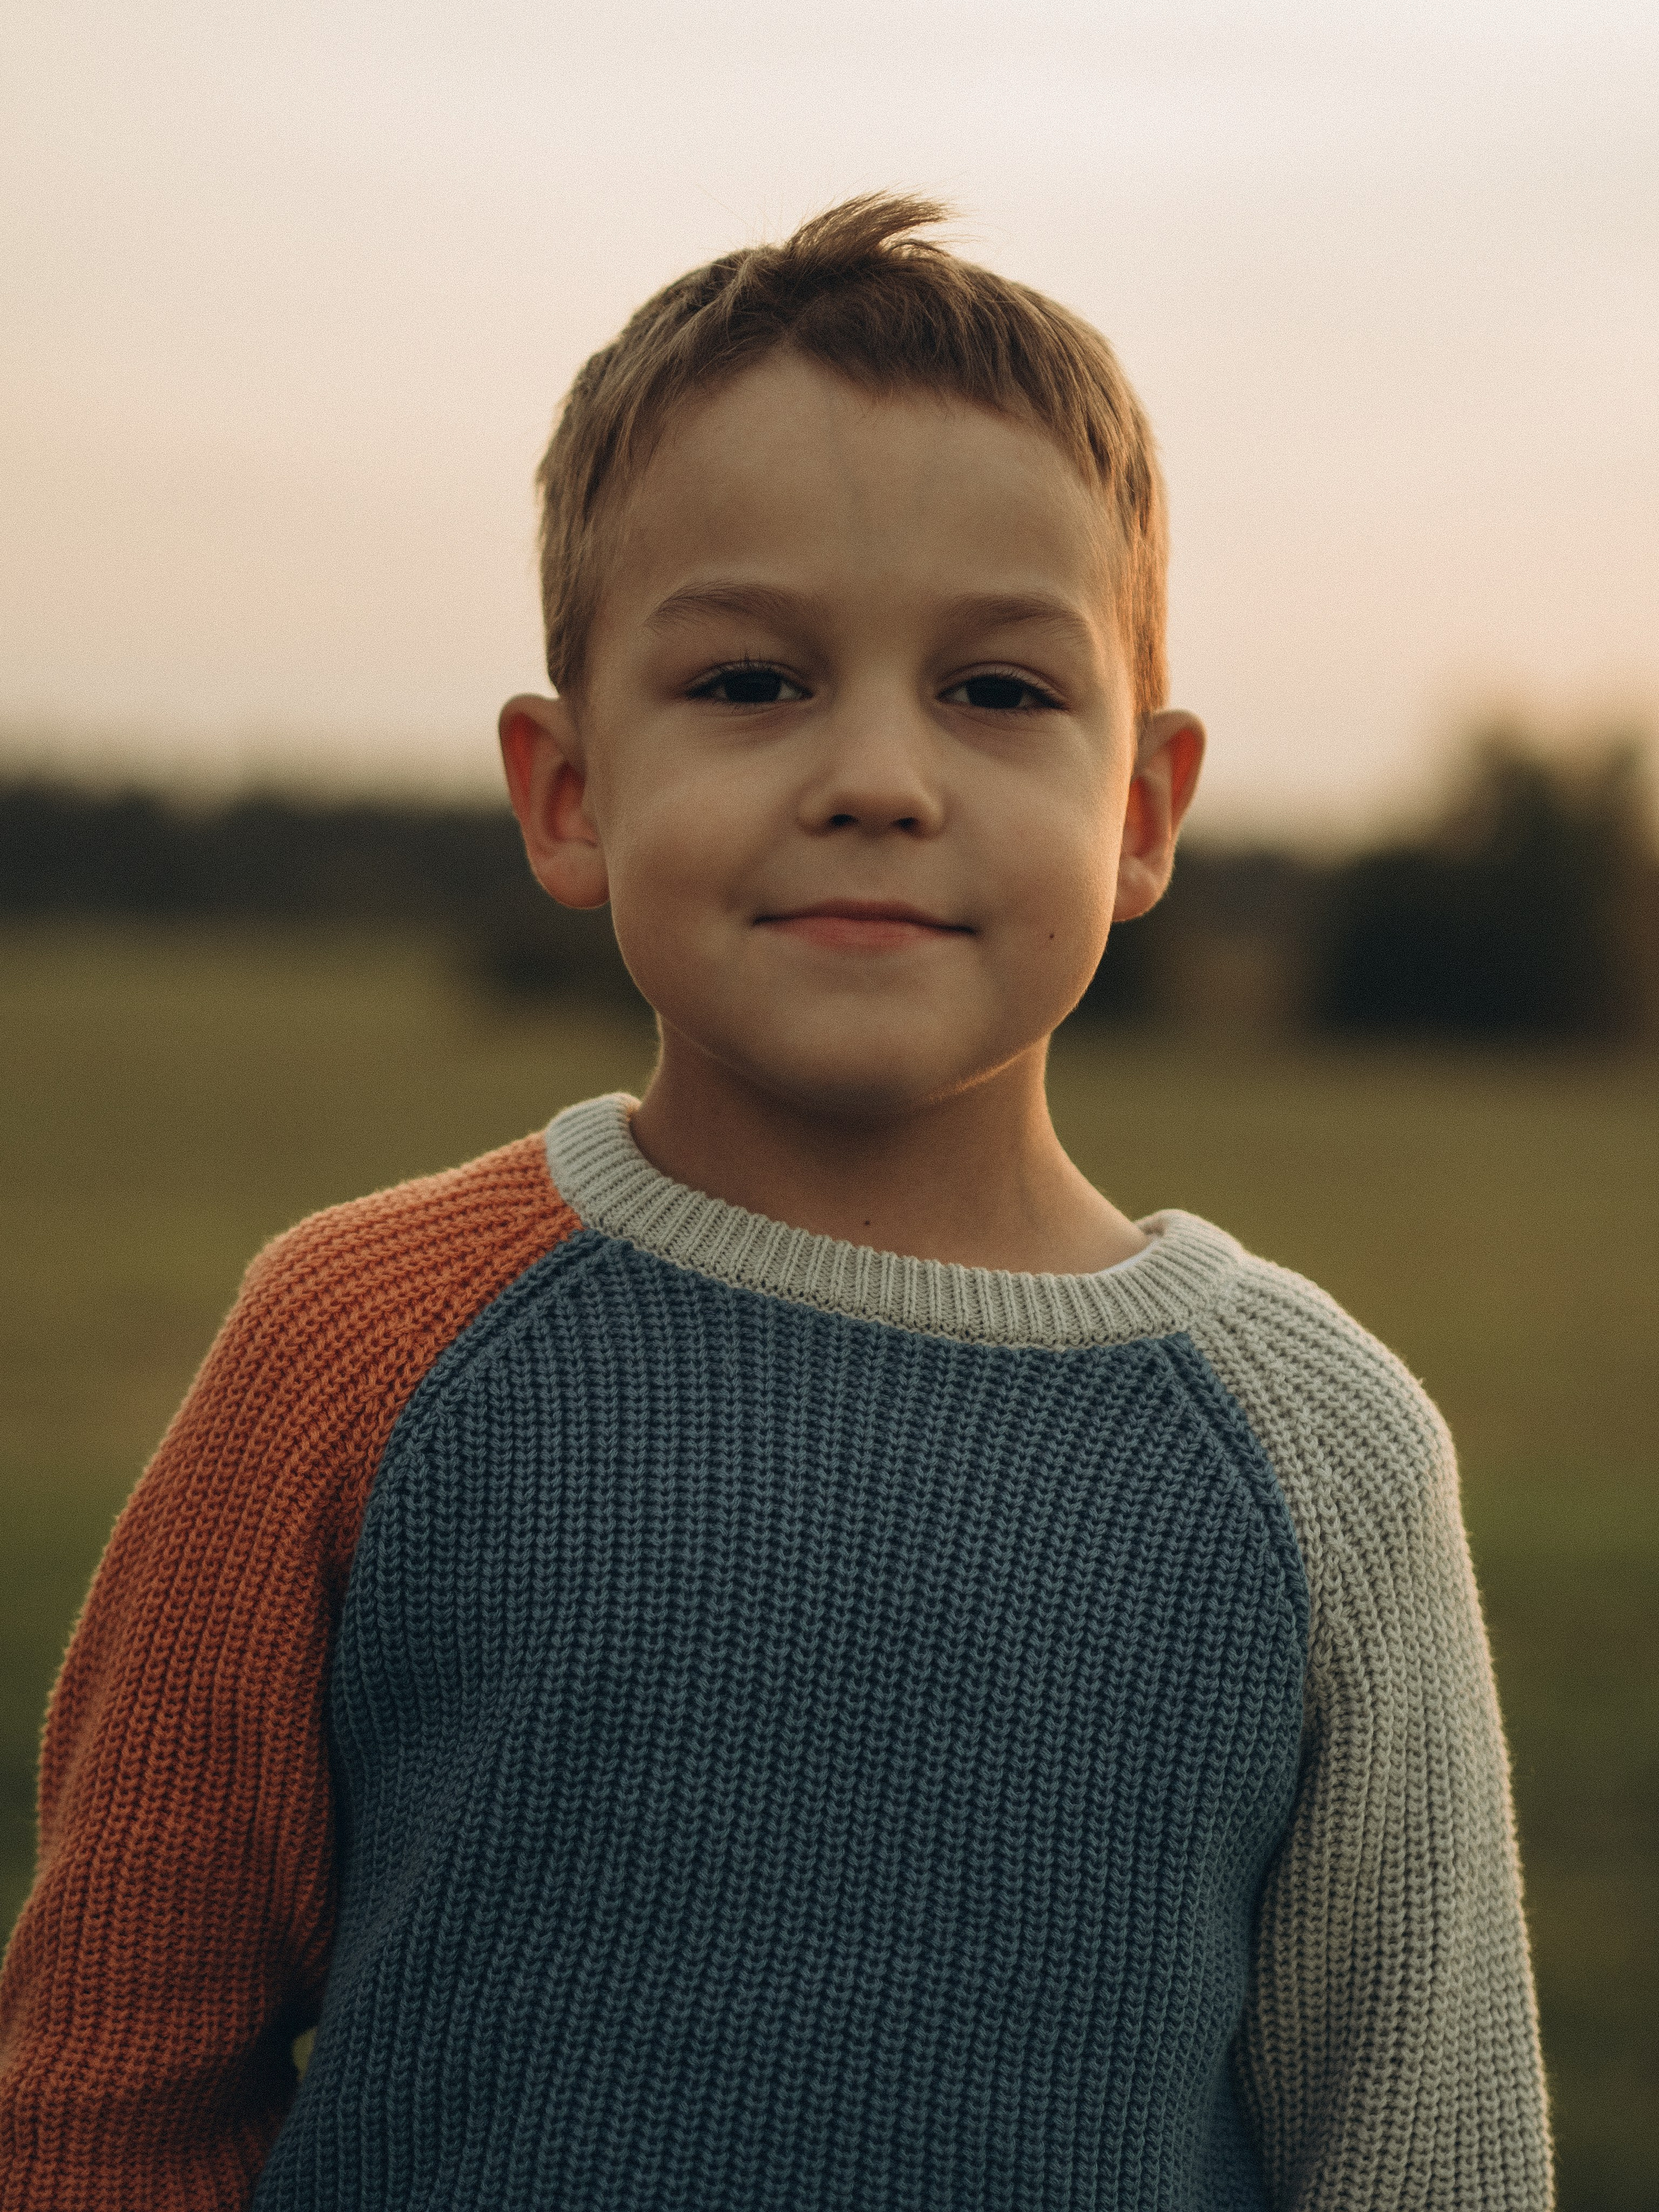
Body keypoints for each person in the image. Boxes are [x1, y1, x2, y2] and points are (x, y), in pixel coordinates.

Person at [0, 194, 1551, 2209]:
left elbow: (1430, 2160)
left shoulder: (1321, 1456)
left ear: (1145, 809)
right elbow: (102, 2100)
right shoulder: (358, 1350)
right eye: (751, 683)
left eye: (999, 692)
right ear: (569, 793)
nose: (880, 777)